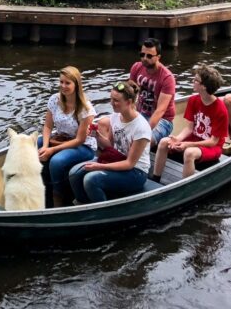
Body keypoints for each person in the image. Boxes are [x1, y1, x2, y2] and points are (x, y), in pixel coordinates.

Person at [69, 81, 152, 203]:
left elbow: (129, 163)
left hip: (136, 172)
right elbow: (111, 145)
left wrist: (100, 166)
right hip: (117, 159)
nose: (111, 103)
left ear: (128, 102)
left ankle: (103, 211)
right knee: (74, 173)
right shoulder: (115, 116)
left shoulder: (141, 128)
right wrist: (97, 135)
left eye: (116, 100)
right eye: (111, 99)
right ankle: (84, 206)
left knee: (91, 180)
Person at [150, 66, 229, 182]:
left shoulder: (220, 110)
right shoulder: (193, 100)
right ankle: (156, 178)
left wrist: (186, 144)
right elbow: (189, 128)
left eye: (196, 80)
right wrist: (177, 139)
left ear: (204, 86)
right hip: (194, 139)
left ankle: (185, 187)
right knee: (164, 142)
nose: (193, 81)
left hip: (211, 147)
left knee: (189, 153)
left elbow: (213, 142)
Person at [38, 66, 97, 207]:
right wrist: (45, 146)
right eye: (61, 82)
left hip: (81, 146)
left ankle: (58, 197)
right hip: (60, 139)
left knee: (57, 161)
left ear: (76, 85)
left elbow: (79, 140)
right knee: (38, 145)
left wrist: (52, 150)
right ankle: (45, 188)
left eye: (67, 83)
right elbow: (47, 126)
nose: (63, 86)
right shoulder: (54, 100)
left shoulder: (85, 108)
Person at [130, 38, 176, 147]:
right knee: (110, 126)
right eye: (142, 54)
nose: (145, 58)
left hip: (163, 120)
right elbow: (130, 94)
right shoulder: (136, 67)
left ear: (158, 57)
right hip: (141, 113)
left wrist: (144, 131)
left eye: (149, 56)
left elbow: (161, 110)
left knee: (143, 140)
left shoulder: (167, 78)